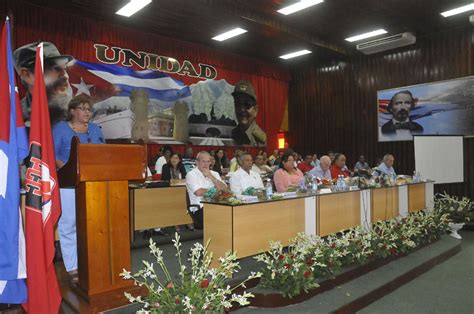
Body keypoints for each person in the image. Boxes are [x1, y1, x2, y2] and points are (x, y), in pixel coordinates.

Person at [52, 95, 105, 282]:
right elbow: (53, 155)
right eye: (83, 108)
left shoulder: (95, 129)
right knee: (70, 225)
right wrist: (68, 169)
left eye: (89, 109)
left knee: (92, 224)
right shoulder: (60, 129)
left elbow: (103, 154)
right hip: (68, 183)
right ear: (73, 110)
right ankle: (73, 265)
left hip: (93, 184)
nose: (87, 112)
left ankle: (91, 261)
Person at [14, 41, 73, 127]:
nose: (66, 76)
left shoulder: (79, 112)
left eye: (65, 68)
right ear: (27, 75)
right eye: (56, 68)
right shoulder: (12, 121)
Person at [186, 151, 227, 228]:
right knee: (222, 219)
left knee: (232, 214)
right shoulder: (191, 174)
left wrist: (211, 177)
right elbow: (198, 192)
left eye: (208, 161)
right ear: (197, 162)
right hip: (201, 208)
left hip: (217, 206)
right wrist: (217, 190)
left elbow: (224, 189)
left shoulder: (214, 174)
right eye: (203, 161)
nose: (206, 164)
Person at [231, 80, 266, 146]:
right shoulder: (232, 134)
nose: (242, 109)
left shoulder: (260, 140)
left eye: (247, 104)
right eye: (238, 104)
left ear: (255, 110)